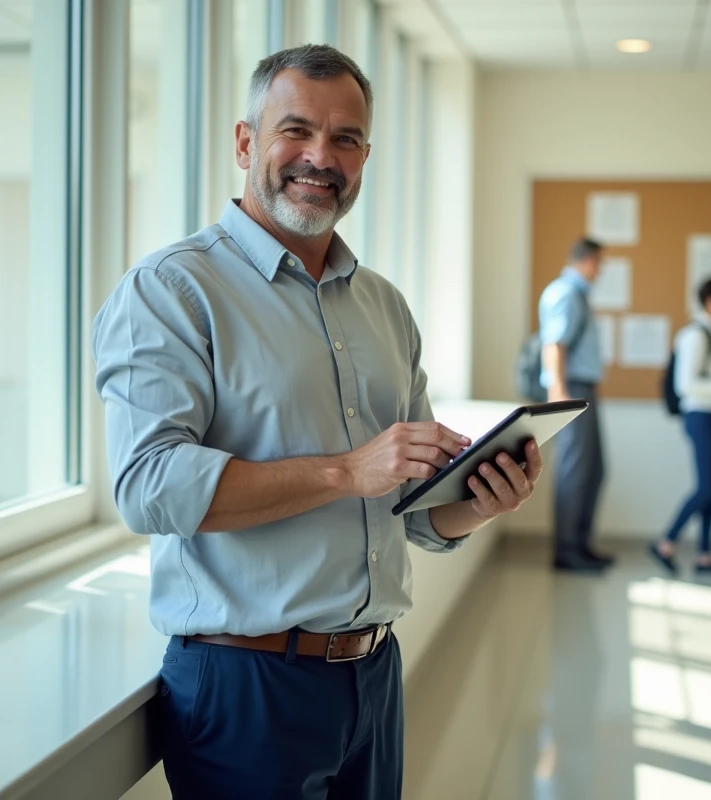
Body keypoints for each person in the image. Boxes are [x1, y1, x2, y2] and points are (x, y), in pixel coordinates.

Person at [92, 45, 543, 799]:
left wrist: (479, 499)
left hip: (373, 675)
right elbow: (148, 488)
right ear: (245, 143)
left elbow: (419, 517)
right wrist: (346, 470)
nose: (319, 157)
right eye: (294, 130)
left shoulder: (384, 307)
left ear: (365, 156)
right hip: (246, 683)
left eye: (345, 139)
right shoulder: (173, 290)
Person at [650, 279, 711, 577]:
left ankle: (705, 555)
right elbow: (685, 385)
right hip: (701, 416)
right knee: (707, 486)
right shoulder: (695, 335)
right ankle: (666, 541)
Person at [538, 238, 614, 573]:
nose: (601, 270)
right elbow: (555, 344)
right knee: (575, 469)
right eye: (599, 262)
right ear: (586, 260)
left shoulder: (577, 294)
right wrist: (559, 391)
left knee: (593, 469)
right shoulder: (566, 293)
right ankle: (567, 551)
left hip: (582, 388)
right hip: (571, 388)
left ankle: (581, 545)